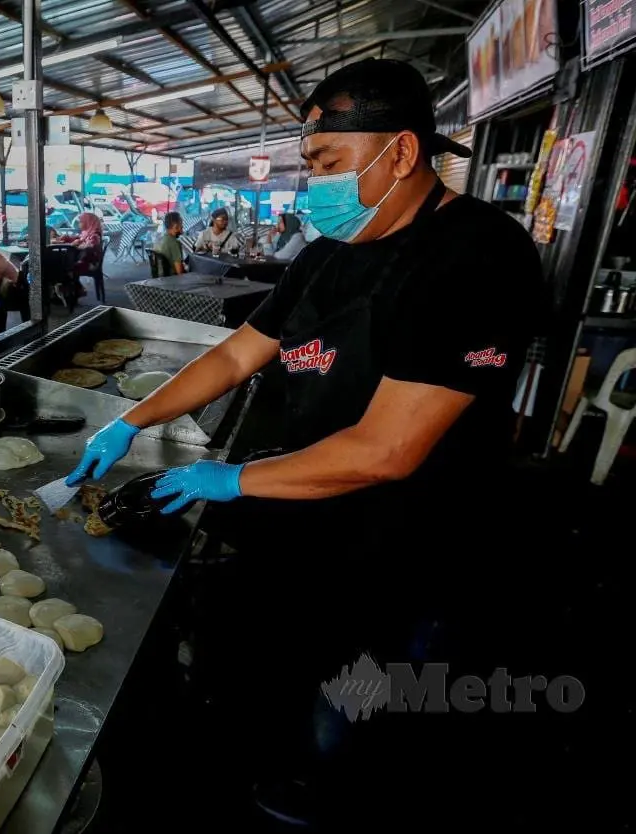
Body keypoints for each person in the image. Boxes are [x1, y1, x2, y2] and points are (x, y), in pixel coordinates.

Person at [66, 58, 543, 826]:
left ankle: (329, 799)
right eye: (308, 164)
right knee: (287, 669)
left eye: (327, 163)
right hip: (310, 516)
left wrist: (230, 480)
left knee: (357, 707)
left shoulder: (478, 257)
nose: (310, 183)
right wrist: (132, 420)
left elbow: (390, 449)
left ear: (400, 152)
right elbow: (234, 355)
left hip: (415, 547)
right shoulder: (324, 255)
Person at [152, 211, 186, 276]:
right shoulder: (174, 243)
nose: (182, 227)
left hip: (160, 278)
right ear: (175, 226)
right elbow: (180, 272)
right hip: (172, 279)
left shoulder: (159, 238)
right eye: (181, 225)